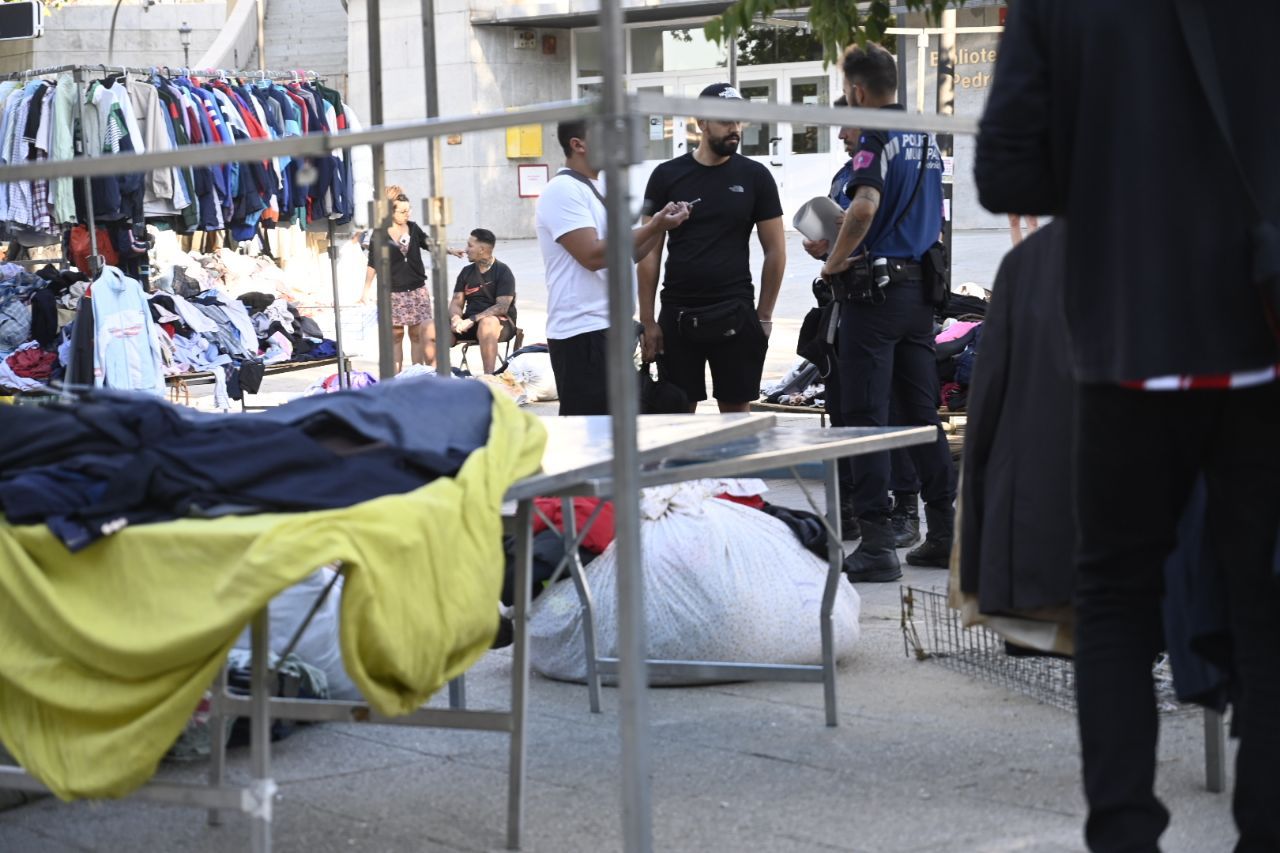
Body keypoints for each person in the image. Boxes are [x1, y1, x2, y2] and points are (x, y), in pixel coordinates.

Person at [975, 3, 1280, 852]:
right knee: (1267, 596)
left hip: (1129, 335)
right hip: (1265, 329)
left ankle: (1123, 831)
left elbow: (1006, 173)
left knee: (1114, 595)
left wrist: (1111, 162)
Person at [819, 43, 956, 583]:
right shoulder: (924, 133)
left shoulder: (874, 137)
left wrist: (833, 262)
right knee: (923, 417)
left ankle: (877, 545)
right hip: (920, 293)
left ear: (855, 91)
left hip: (874, 297)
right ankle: (943, 532)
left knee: (865, 420)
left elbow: (865, 205)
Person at [802, 97, 922, 546]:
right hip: (844, 303)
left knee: (891, 406)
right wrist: (825, 249)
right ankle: (850, 505)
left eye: (845, 126)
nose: (840, 136)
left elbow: (884, 228)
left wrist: (840, 257)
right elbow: (844, 227)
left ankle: (903, 508)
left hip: (885, 298)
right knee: (846, 405)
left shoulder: (895, 167)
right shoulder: (845, 174)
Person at [638, 83, 787, 414]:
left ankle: (737, 469)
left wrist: (764, 316)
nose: (735, 129)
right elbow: (649, 253)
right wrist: (648, 319)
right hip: (678, 314)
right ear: (701, 123)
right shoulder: (666, 176)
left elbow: (776, 250)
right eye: (725, 121)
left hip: (736, 310)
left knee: (736, 415)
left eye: (739, 121)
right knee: (676, 412)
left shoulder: (756, 176)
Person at [534, 119, 691, 415]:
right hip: (582, 334)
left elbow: (629, 251)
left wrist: (660, 226)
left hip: (612, 329)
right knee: (593, 433)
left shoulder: (603, 187)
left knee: (647, 415)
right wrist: (654, 225)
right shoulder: (562, 190)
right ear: (578, 145)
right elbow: (592, 255)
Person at [360, 197, 436, 373]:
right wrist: (365, 291)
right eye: (402, 211)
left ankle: (417, 375)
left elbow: (429, 243)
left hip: (417, 289)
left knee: (417, 335)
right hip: (393, 291)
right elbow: (373, 263)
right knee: (396, 336)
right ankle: (397, 378)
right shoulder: (379, 234)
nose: (407, 214)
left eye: (409, 210)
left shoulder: (414, 228)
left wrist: (449, 250)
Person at [449, 228, 517, 375]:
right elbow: (456, 302)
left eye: (470, 246)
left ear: (482, 249)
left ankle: (489, 378)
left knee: (488, 323)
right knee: (429, 327)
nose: (466, 250)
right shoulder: (466, 272)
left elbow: (502, 307)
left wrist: (473, 319)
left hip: (499, 324)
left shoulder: (503, 271)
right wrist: (456, 318)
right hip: (469, 324)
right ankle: (435, 378)